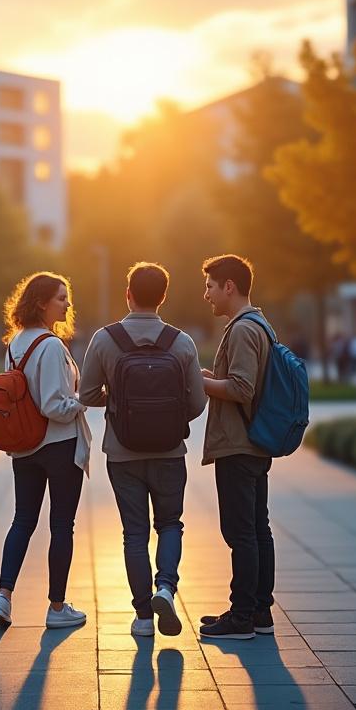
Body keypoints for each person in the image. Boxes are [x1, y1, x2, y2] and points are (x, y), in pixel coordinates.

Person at [79, 262, 206, 638]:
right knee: (170, 523)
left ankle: (143, 617)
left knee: (134, 533)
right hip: (169, 452)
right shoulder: (181, 342)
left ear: (128, 294)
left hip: (122, 452)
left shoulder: (105, 339)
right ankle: (165, 587)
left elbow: (86, 395)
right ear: (163, 297)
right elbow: (197, 404)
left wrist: (119, 401)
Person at [0, 272, 92, 631]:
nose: (67, 303)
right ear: (43, 302)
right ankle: (57, 607)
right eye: (61, 297)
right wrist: (84, 402)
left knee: (23, 520)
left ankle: (3, 595)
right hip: (59, 446)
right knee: (62, 524)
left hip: (24, 447)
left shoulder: (15, 343)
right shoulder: (50, 345)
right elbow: (53, 405)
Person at [198, 254, 276, 641]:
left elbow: (242, 389)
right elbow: (242, 382)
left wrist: (200, 382)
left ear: (229, 286)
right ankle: (259, 610)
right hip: (253, 442)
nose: (206, 293)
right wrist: (215, 377)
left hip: (238, 445)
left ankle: (242, 616)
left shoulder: (244, 329)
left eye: (211, 285)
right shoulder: (258, 324)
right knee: (257, 528)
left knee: (241, 531)